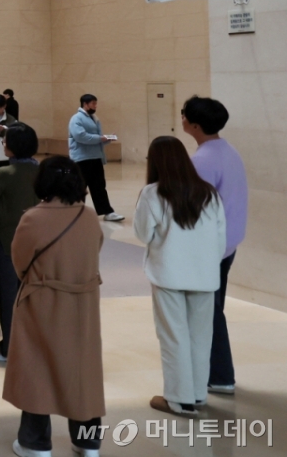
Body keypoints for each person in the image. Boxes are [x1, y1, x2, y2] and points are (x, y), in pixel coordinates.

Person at [5, 156, 105, 457]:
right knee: (83, 372)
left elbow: (20, 264)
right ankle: (88, 442)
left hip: (43, 303)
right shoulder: (89, 216)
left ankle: (35, 443)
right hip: (84, 306)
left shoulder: (33, 218)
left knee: (37, 369)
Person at [135, 136, 226, 418]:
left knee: (173, 337)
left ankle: (179, 400)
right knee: (201, 337)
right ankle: (197, 394)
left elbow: (142, 234)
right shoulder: (209, 193)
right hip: (205, 276)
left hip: (168, 275)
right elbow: (220, 239)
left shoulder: (153, 193)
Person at [180, 96, 247, 395]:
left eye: (184, 115)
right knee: (212, 308)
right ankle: (214, 372)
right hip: (227, 243)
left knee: (208, 312)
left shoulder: (203, 160)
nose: (182, 118)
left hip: (212, 248)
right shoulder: (226, 150)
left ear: (195, 125)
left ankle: (220, 375)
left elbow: (195, 208)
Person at [0, 122, 41, 362]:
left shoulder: (5, 173)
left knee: (8, 298)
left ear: (13, 147)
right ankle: (33, 345)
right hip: (38, 243)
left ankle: (10, 348)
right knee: (33, 296)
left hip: (9, 242)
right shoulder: (41, 171)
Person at [69, 94, 123, 221]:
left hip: (95, 158)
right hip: (81, 159)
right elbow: (80, 136)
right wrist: (100, 138)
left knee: (99, 187)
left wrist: (107, 139)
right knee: (80, 187)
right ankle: (76, 212)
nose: (95, 106)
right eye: (93, 103)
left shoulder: (94, 118)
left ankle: (107, 212)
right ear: (85, 104)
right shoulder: (76, 118)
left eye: (96, 103)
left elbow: (97, 139)